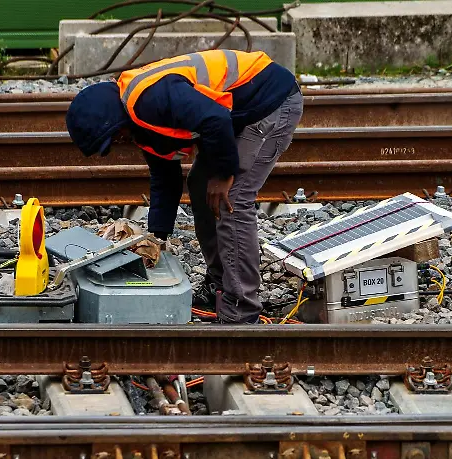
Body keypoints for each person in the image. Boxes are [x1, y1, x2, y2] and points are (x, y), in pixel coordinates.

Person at [65, 49, 303, 324]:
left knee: (232, 198)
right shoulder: (140, 123)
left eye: (114, 137)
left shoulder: (149, 100)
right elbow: (165, 178)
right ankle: (220, 284)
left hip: (271, 101)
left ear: (114, 120)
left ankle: (242, 308)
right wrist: (156, 238)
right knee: (201, 184)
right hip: (238, 113)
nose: (119, 142)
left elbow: (215, 119)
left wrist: (224, 173)